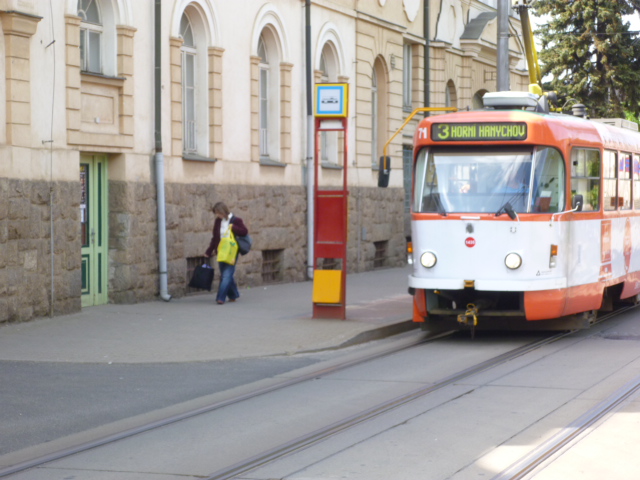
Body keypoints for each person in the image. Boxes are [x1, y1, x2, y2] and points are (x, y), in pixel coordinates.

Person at [204, 202, 248, 304]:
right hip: (221, 251)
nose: (218, 215)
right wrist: (209, 250)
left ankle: (220, 298)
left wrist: (234, 228)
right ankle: (233, 295)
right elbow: (215, 237)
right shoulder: (218, 221)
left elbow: (244, 231)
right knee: (226, 274)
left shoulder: (236, 220)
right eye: (216, 213)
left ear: (223, 211)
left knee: (226, 275)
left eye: (218, 213)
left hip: (232, 252)